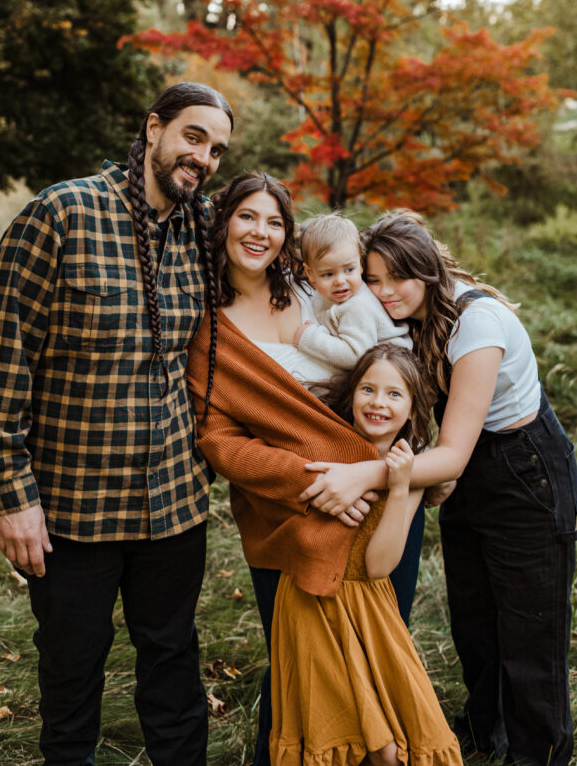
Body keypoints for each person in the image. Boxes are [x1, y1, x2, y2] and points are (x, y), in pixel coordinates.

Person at [0, 82, 233, 766]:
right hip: (72, 511)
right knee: (71, 677)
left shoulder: (204, 232)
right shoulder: (61, 214)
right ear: (154, 129)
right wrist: (12, 499)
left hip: (174, 506)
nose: (203, 157)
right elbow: (1, 367)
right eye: (194, 137)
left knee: (173, 669)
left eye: (217, 149)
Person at [301, 211, 577, 766]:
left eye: (396, 278)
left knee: (529, 631)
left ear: (428, 272)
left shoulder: (476, 325)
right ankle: (482, 740)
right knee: (475, 621)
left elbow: (451, 453)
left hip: (523, 469)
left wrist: (366, 474)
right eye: (372, 277)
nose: (382, 293)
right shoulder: (400, 313)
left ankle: (539, 754)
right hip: (463, 468)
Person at [186, 173, 422, 766]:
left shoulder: (315, 289)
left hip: (377, 492)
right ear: (224, 223)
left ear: (288, 235)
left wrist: (387, 470)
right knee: (302, 662)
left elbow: (392, 344)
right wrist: (313, 481)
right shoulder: (207, 323)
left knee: (376, 653)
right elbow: (218, 440)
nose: (259, 232)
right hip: (287, 507)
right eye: (247, 217)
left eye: (274, 221)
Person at [270, 343, 462, 766]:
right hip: (312, 603)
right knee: (343, 733)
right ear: (352, 393)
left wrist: (399, 486)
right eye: (368, 389)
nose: (378, 403)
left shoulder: (410, 471)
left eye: (394, 394)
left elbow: (379, 565)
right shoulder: (325, 446)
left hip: (369, 608)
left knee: (391, 750)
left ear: (412, 410)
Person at [293, 213, 411, 368]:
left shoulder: (358, 306)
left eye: (349, 270)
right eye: (328, 274)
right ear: (310, 273)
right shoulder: (322, 296)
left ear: (361, 264)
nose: (340, 281)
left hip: (395, 366)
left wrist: (310, 338)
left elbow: (355, 356)